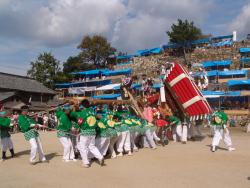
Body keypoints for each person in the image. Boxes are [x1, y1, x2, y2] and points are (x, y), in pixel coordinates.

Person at [73, 100, 104, 168]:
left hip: (85, 132)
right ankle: (100, 157)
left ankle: (86, 162)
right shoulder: (92, 112)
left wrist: (76, 128)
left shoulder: (83, 113)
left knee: (83, 147)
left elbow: (79, 121)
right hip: (93, 131)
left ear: (83, 106)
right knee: (92, 146)